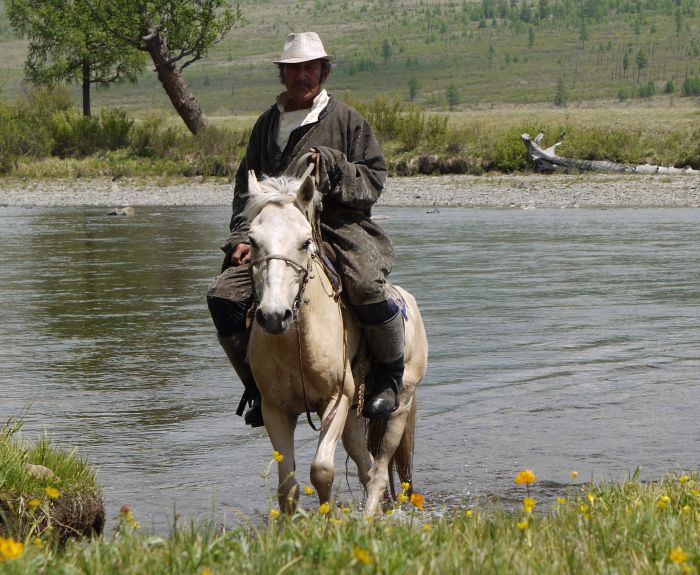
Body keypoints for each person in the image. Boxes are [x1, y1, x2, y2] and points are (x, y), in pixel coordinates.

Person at [207, 32, 403, 427]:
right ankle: (256, 385)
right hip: (276, 232)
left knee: (365, 284)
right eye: (293, 69)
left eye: (309, 68)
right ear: (283, 75)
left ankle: (389, 377)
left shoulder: (347, 120)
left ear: (324, 72)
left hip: (336, 225)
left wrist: (333, 165)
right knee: (223, 297)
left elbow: (374, 179)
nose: (302, 76)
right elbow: (247, 188)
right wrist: (241, 237)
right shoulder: (266, 124)